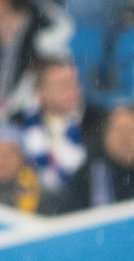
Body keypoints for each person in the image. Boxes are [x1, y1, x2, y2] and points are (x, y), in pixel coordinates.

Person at [50, 105, 134, 212]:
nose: (126, 137)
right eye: (118, 130)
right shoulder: (85, 177)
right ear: (104, 137)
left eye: (133, 130)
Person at [15, 58, 101, 194]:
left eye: (75, 83)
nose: (72, 91)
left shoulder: (96, 125)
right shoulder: (18, 124)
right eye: (63, 85)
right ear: (40, 91)